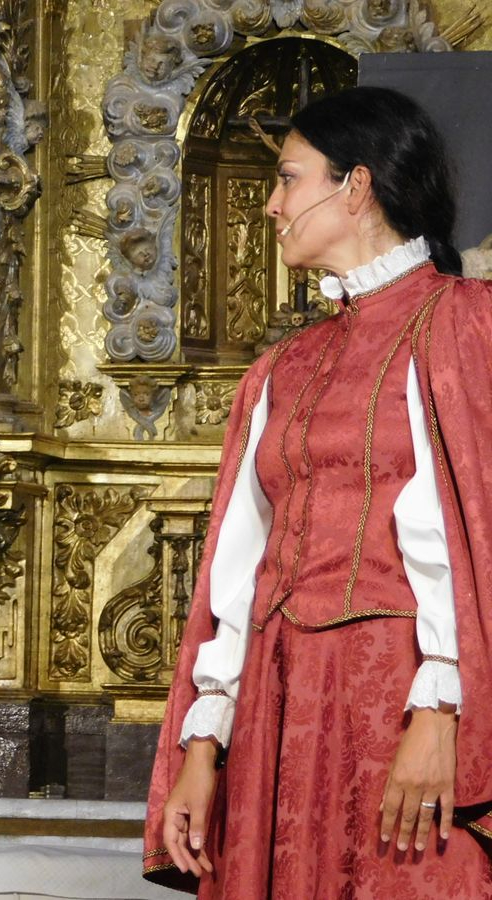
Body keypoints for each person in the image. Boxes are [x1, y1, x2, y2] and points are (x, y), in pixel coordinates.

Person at [144, 86, 492, 896]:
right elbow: (239, 568)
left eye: (288, 178)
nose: (270, 205)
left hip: (397, 700)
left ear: (356, 186)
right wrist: (205, 749)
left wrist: (441, 717)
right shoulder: (281, 369)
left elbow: (472, 534)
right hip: (280, 695)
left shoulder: (463, 323)